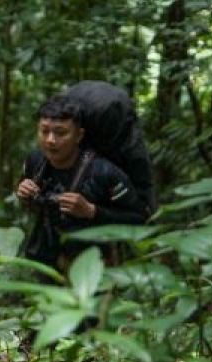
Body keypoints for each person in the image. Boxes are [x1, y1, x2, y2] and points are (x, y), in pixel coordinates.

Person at [15, 95, 147, 270]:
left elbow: (140, 219)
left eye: (61, 132)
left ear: (79, 135)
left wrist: (92, 211)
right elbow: (33, 205)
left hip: (93, 266)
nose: (50, 140)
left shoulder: (104, 173)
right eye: (44, 131)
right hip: (45, 260)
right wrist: (24, 194)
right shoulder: (35, 162)